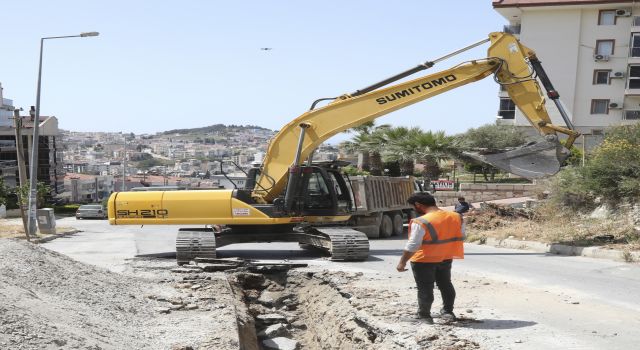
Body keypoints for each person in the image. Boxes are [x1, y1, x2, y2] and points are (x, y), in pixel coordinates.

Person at [397, 192, 465, 324]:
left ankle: (424, 316)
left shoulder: (421, 221)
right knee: (445, 284)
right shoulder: (456, 216)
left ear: (418, 205)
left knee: (425, 287)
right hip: (445, 256)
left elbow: (413, 245)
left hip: (424, 259)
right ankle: (448, 312)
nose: (414, 210)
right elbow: (462, 235)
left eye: (413, 207)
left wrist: (402, 262)